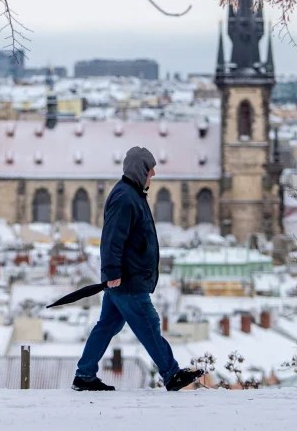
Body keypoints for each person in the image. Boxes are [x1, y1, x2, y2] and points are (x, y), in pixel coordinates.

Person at [71, 146, 204, 392]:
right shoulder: (125, 197)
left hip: (125, 278)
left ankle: (85, 374)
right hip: (126, 280)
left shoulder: (132, 194)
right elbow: (112, 239)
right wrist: (112, 273)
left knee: (108, 325)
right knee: (148, 323)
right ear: (139, 170)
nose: (152, 176)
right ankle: (171, 373)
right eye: (150, 171)